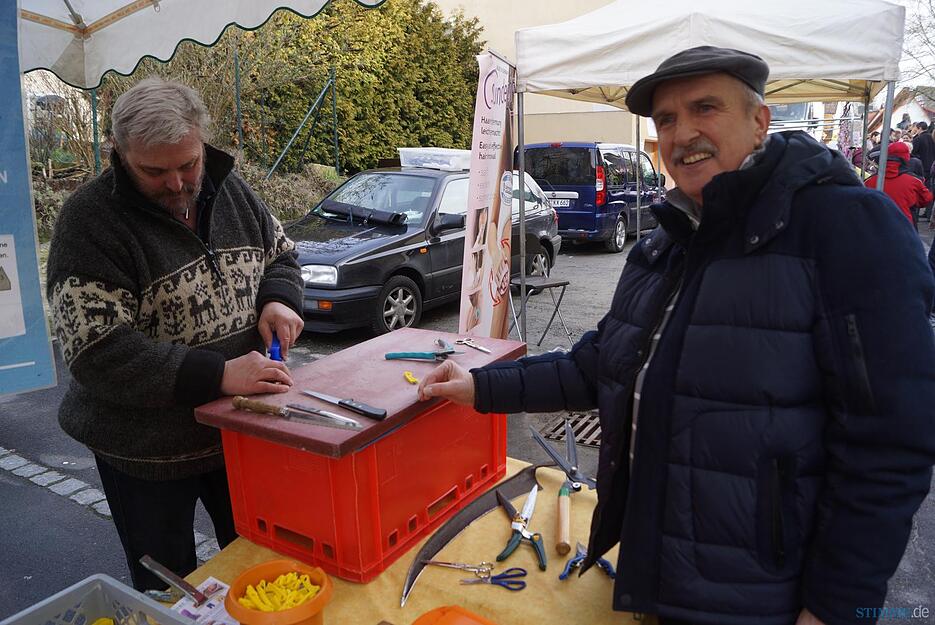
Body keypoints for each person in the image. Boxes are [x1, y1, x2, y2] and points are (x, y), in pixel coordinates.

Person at [418, 46, 935, 625]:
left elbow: (888, 445)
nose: (682, 132)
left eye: (705, 108)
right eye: (665, 119)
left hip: (762, 597)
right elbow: (600, 365)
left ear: (759, 120)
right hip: (659, 575)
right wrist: (479, 386)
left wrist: (836, 606)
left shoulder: (846, 228)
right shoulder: (665, 241)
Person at [46, 78, 306, 590]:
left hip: (238, 435)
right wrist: (220, 374)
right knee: (169, 590)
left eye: (188, 164)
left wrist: (279, 297)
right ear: (118, 153)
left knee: (262, 571)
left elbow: (282, 253)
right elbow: (96, 351)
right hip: (143, 452)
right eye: (154, 171)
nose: (176, 184)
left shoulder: (229, 188)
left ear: (201, 142)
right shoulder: (89, 221)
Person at [865, 141, 932, 228]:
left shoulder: (869, 181)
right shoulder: (914, 181)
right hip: (904, 229)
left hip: (875, 228)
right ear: (906, 158)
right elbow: (926, 199)